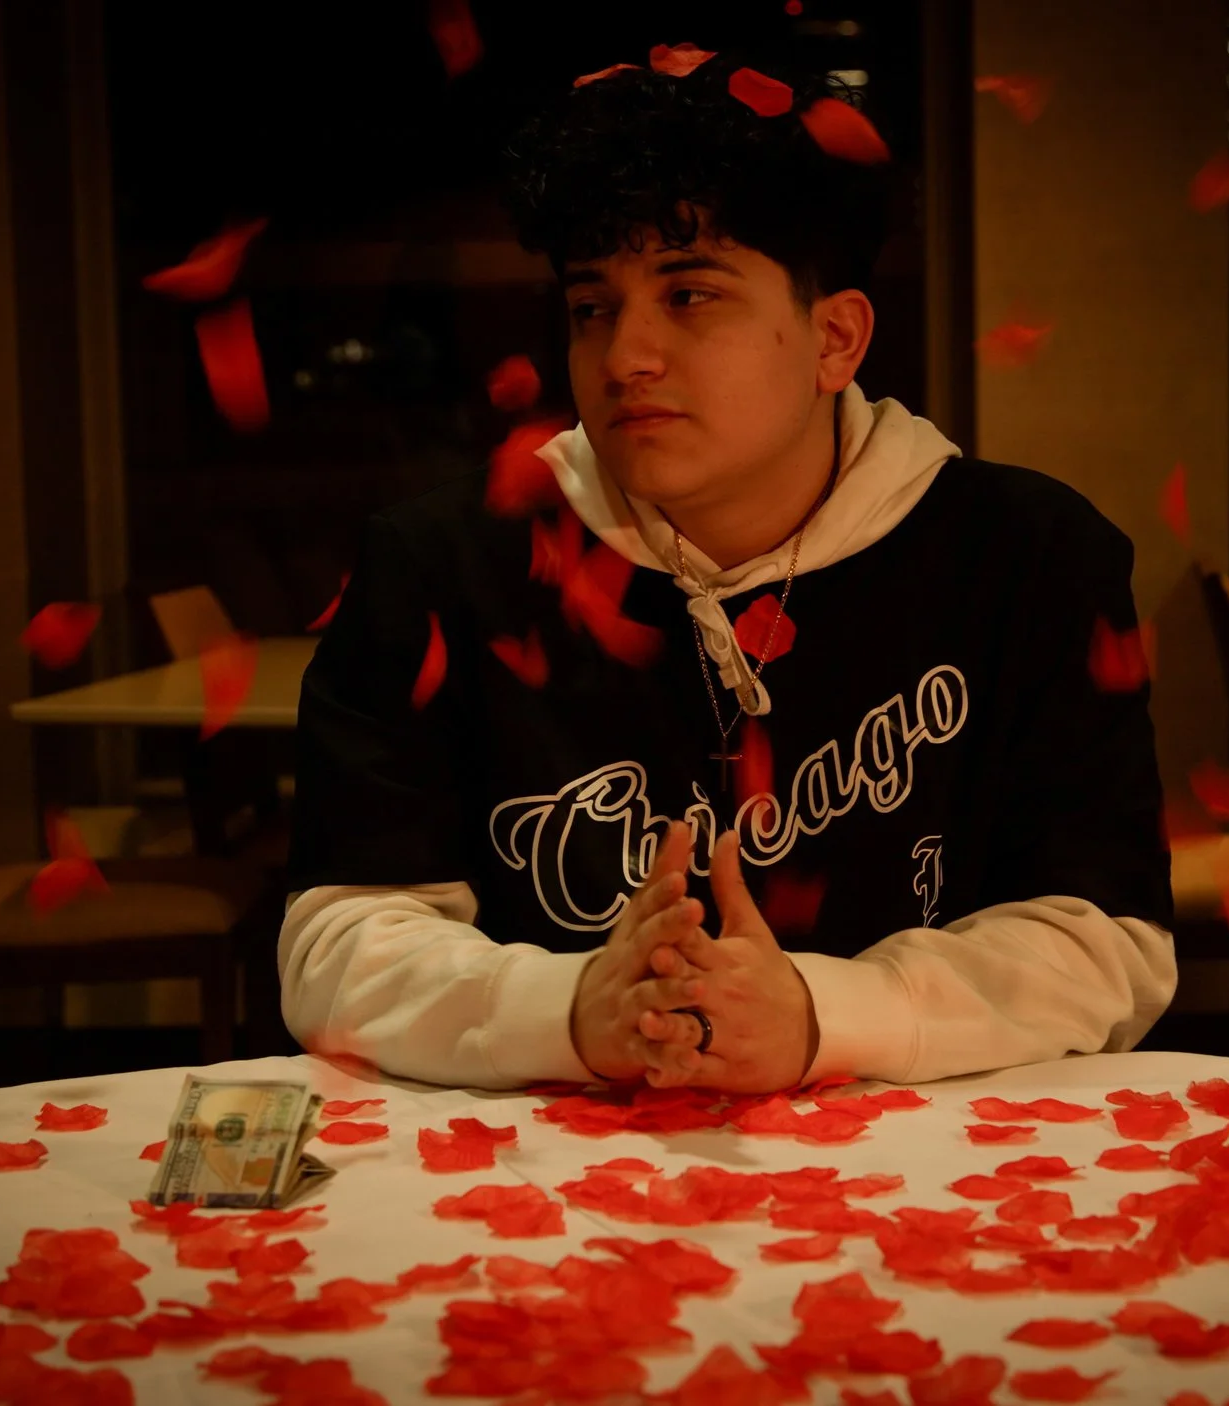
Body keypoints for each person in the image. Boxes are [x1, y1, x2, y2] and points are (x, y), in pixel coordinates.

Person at [278, 50, 1176, 1094]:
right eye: (592, 307)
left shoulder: (1023, 556)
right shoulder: (442, 560)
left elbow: (1105, 935)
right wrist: (567, 1010)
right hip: (544, 1176)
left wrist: (820, 1013)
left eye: (690, 293)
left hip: (924, 1164)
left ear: (834, 338)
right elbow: (337, 936)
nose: (625, 358)